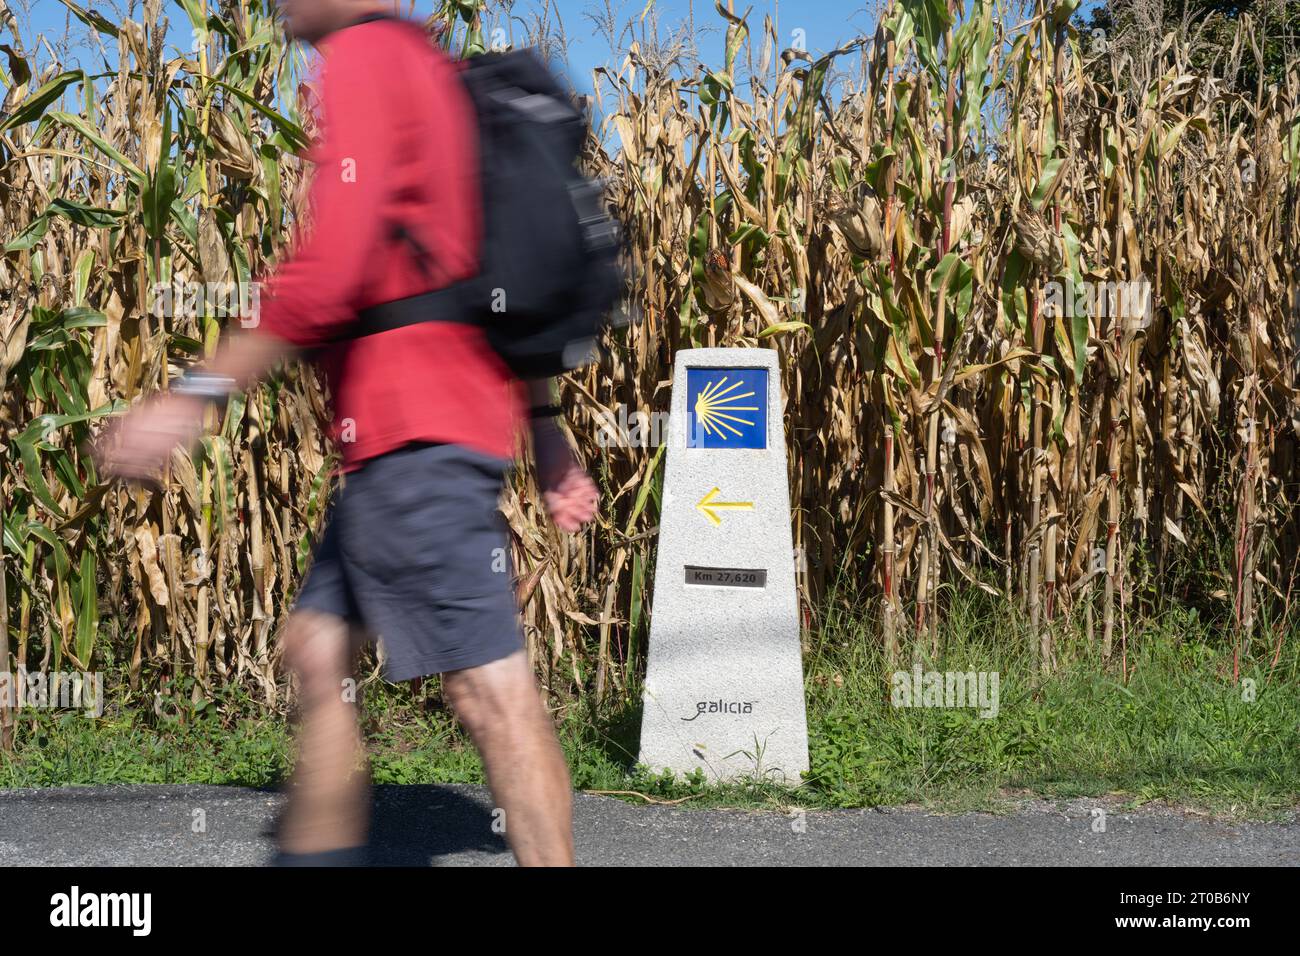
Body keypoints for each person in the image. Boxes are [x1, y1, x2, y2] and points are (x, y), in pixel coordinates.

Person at [94, 0, 598, 867]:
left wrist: (189, 397)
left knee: (490, 692)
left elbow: (331, 272)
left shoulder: (367, 58)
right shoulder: (431, 68)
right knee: (319, 649)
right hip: (416, 436)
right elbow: (489, 272)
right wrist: (547, 432)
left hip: (414, 440)